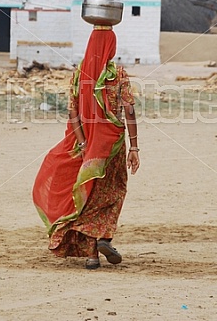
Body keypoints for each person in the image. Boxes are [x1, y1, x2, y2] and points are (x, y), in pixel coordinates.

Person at [32, 27, 140, 269]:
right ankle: (104, 238)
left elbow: (72, 112)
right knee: (113, 193)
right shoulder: (118, 74)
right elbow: (129, 109)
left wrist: (81, 143)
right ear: (111, 47)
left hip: (86, 146)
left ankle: (93, 255)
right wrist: (135, 147)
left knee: (88, 194)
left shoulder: (79, 75)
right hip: (111, 145)